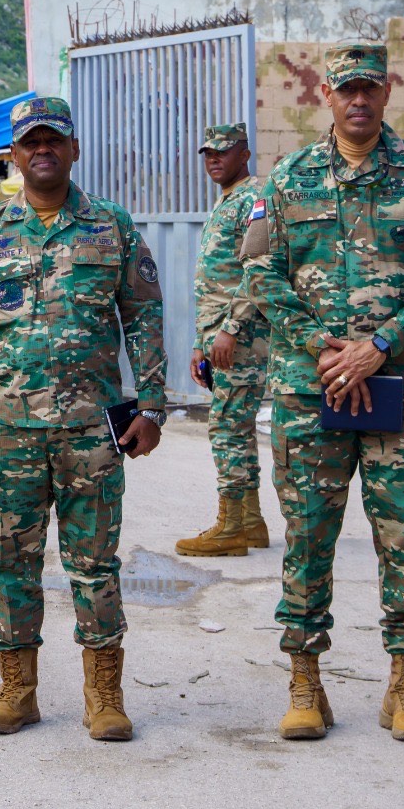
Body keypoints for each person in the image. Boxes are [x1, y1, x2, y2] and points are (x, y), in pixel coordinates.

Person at [242, 40, 404, 744]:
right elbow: (259, 273)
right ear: (327, 94)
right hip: (310, 389)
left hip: (401, 389)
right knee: (308, 534)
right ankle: (305, 683)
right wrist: (324, 347)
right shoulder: (287, 181)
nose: (358, 100)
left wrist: (381, 345)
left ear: (385, 92)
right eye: (346, 88)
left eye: (370, 87)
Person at [0, 96, 166, 741]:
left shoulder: (111, 227)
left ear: (73, 150)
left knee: (95, 563)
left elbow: (144, 316)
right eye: (30, 142)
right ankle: (18, 690)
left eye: (54, 141)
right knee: (11, 561)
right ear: (13, 154)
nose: (43, 151)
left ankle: (104, 696)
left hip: (93, 428)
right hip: (7, 429)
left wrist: (151, 405)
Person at [178, 122, 274, 557]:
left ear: (244, 154)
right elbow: (215, 281)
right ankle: (251, 522)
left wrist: (230, 330)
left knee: (226, 428)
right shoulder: (227, 201)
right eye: (208, 154)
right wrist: (202, 341)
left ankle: (231, 525)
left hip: (243, 335)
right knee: (236, 427)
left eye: (223, 151)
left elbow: (258, 268)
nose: (214, 159)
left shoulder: (255, 197)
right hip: (220, 335)